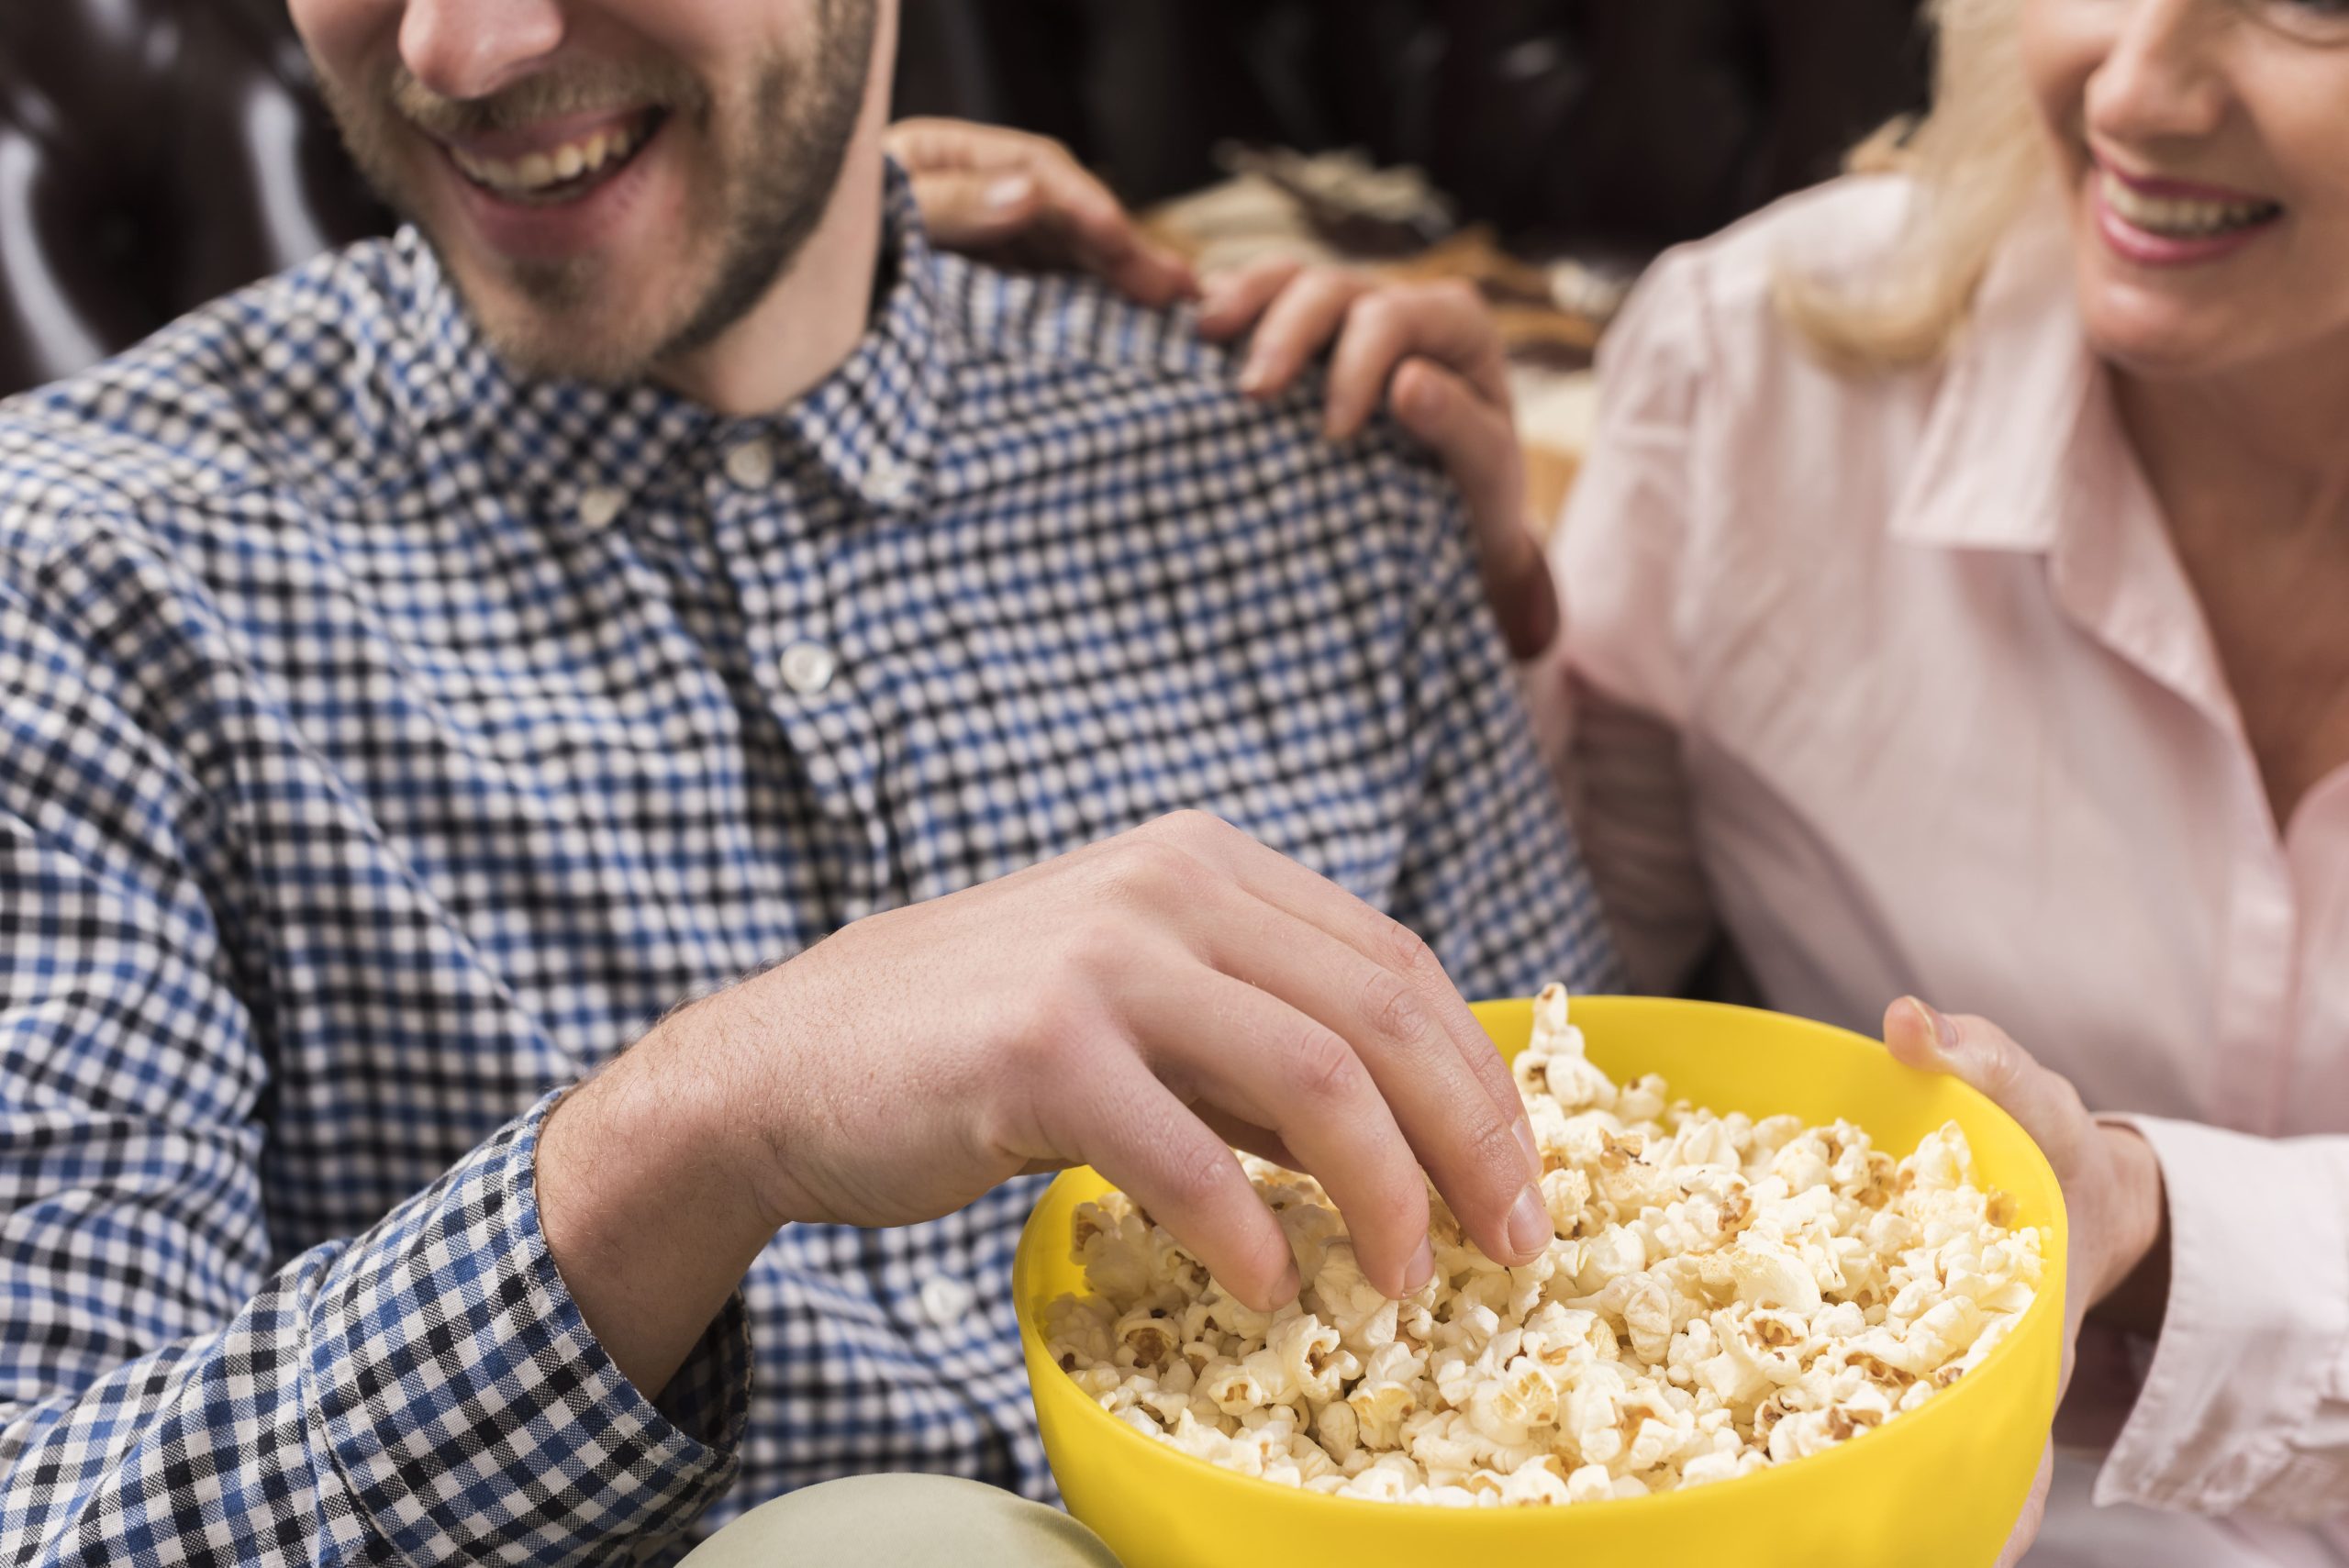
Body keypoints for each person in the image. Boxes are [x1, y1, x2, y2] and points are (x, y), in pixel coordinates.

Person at [0, 1, 1621, 1562]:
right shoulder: (78, 578)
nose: (455, 45)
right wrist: (702, 1128)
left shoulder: (1321, 479)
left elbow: (1629, 1231)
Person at [1121, 0, 2347, 1562]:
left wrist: (2148, 1219)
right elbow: (1567, 1006)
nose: (2136, 87)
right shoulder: (1752, 366)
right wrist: (1459, 577)